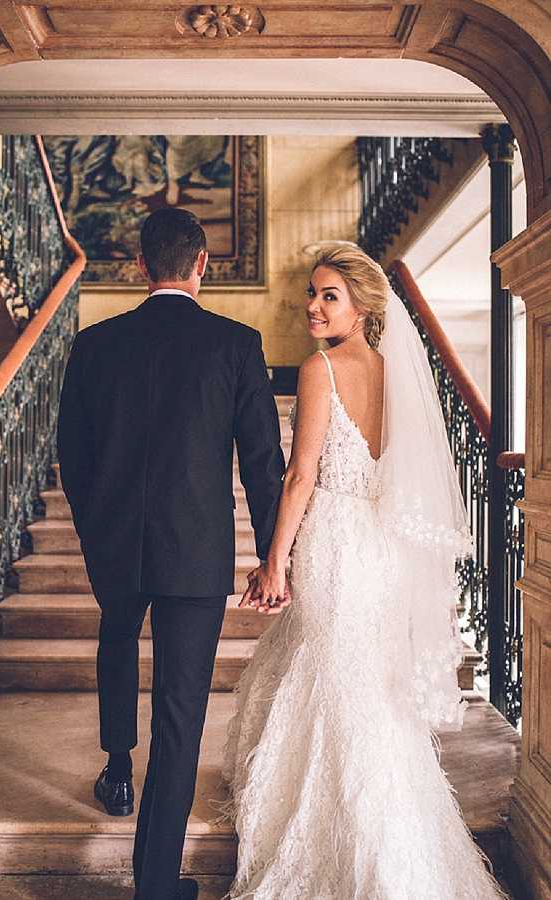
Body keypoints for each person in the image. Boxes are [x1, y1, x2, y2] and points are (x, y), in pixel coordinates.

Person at [219, 241, 510, 899]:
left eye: (329, 296)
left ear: (361, 306)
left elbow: (300, 477)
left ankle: (350, 842)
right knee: (363, 685)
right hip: (377, 549)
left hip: (335, 540)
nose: (313, 306)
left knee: (336, 682)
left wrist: (273, 563)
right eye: (313, 293)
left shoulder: (321, 369)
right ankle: (398, 841)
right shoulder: (394, 371)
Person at [56, 207, 285, 900]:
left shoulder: (93, 345)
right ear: (203, 264)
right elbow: (262, 465)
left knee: (118, 640)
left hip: (116, 546)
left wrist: (98, 533)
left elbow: (72, 456)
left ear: (140, 265)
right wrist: (276, 555)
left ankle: (118, 766)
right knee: (181, 713)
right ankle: (156, 883)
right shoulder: (237, 344)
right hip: (196, 553)